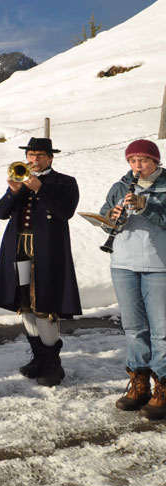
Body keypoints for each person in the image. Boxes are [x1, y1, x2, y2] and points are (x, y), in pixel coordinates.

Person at [0, 137, 80, 386]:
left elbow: (65, 212)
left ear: (50, 158)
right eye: (30, 154)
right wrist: (13, 191)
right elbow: (0, 213)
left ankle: (53, 363)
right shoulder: (20, 181)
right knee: (25, 303)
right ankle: (39, 356)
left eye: (39, 155)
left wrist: (40, 187)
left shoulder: (65, 182)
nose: (34, 159)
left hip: (47, 253)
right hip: (20, 250)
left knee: (45, 305)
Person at [99, 139, 166, 418]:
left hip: (159, 265)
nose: (138, 166)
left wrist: (146, 208)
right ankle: (139, 382)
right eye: (133, 161)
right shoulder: (120, 186)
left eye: (143, 160)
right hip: (123, 264)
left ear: (155, 161)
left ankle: (162, 385)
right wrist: (111, 216)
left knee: (161, 330)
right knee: (134, 327)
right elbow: (104, 213)